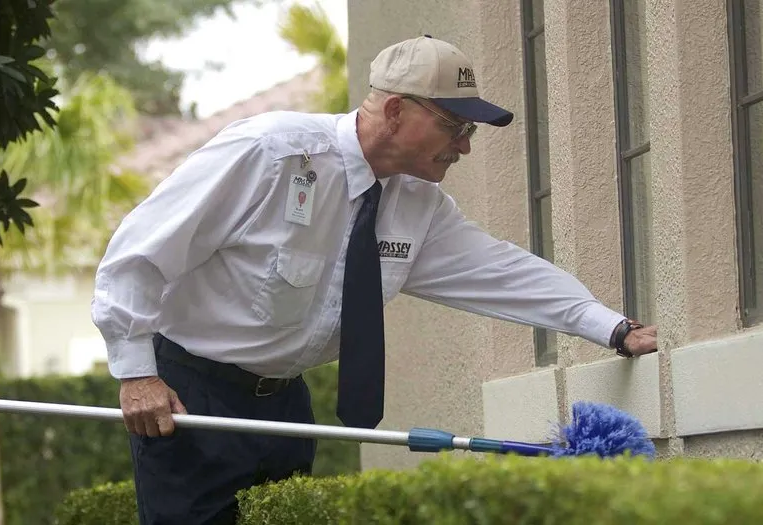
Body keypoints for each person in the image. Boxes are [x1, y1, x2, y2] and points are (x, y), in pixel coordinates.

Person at [91, 35, 658, 525]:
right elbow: (139, 253)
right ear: (394, 110)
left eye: (470, 130)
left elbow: (505, 273)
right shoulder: (271, 153)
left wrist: (614, 328)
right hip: (193, 397)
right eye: (455, 126)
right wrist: (136, 373)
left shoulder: (418, 207)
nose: (464, 145)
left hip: (286, 405)